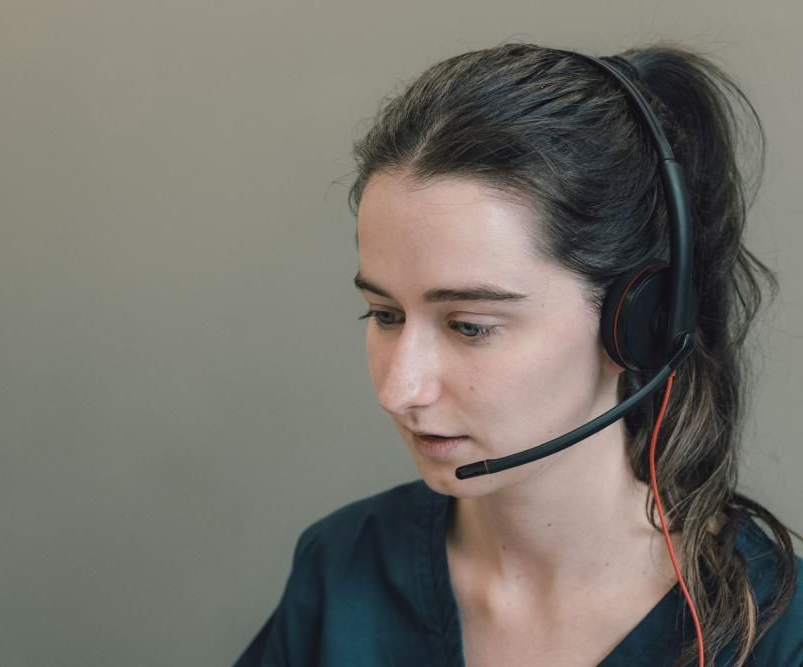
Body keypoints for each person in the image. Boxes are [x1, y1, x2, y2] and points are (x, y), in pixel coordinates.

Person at [233, 41, 803, 667]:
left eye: (470, 326)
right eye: (386, 315)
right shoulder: (344, 570)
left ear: (640, 323)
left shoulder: (781, 633)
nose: (399, 389)